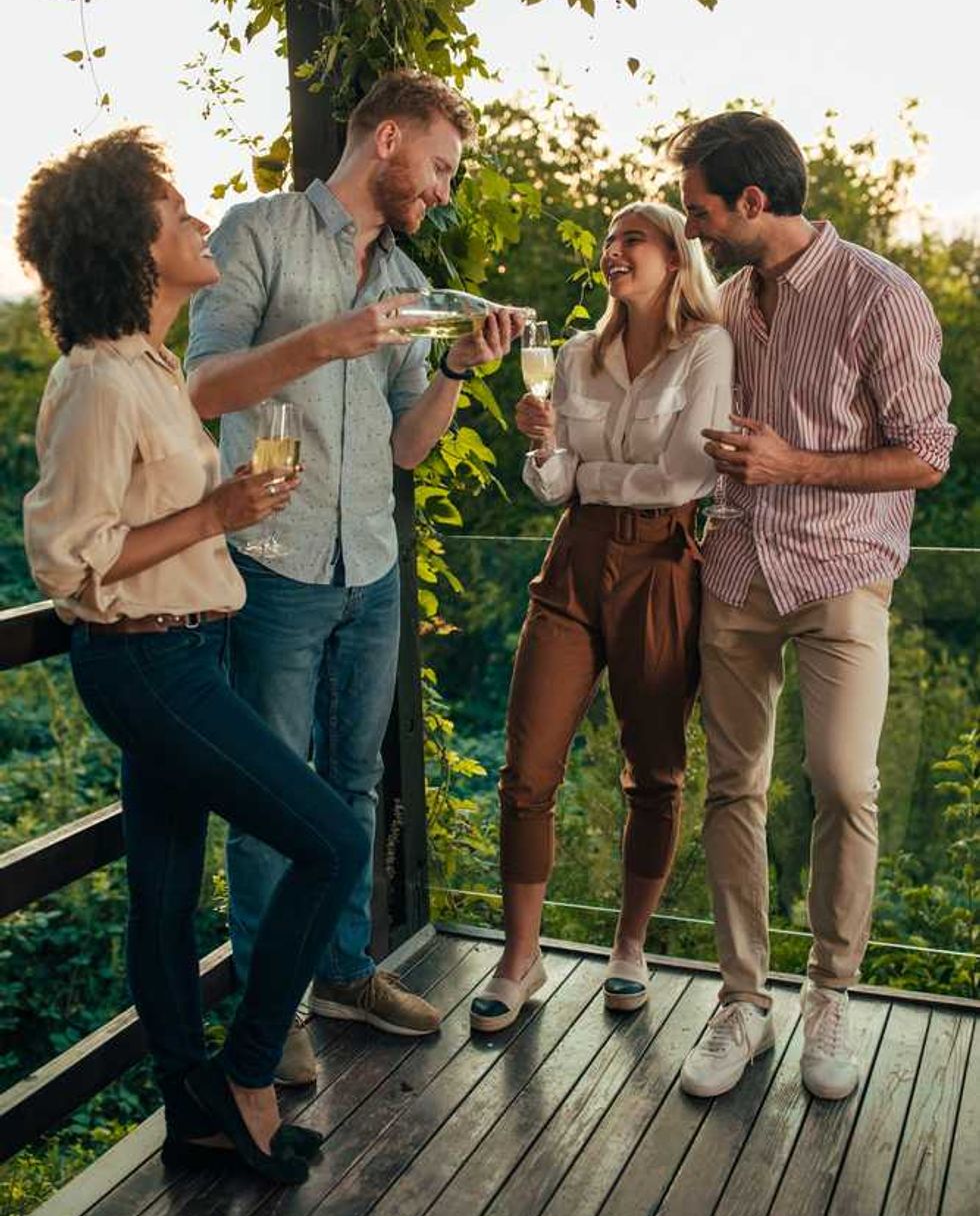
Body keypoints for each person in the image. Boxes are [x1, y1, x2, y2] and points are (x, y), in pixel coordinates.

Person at [19, 128, 372, 1184]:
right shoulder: (95, 381)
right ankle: (249, 1075)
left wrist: (225, 514)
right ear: (131, 244)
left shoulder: (153, 368)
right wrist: (216, 509)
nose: (199, 219)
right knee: (331, 840)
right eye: (175, 212)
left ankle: (197, 1117)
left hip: (185, 652)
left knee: (165, 899)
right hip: (146, 666)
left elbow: (152, 521)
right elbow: (68, 560)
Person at [186, 69, 522, 1082]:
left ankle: (339, 968)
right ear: (387, 139)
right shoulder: (257, 232)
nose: (443, 190)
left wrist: (460, 369)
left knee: (355, 780)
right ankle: (269, 1002)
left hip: (369, 562)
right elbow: (203, 383)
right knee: (268, 793)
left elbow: (410, 446)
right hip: (276, 563)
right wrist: (327, 338)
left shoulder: (409, 285)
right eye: (440, 166)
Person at [670, 111, 956, 1101]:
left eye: (699, 208)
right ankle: (741, 998)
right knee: (731, 787)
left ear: (753, 202)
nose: (690, 227)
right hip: (737, 567)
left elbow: (925, 452)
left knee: (842, 781)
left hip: (841, 571)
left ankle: (829, 989)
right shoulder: (723, 301)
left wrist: (794, 462)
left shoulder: (881, 296)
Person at [470, 202, 734, 1032]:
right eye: (609, 241)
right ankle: (522, 958)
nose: (613, 251)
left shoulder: (707, 349)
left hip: (662, 567)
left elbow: (686, 474)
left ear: (673, 256)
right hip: (573, 561)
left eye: (632, 239)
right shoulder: (578, 354)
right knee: (527, 771)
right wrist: (547, 448)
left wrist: (592, 474)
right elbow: (553, 486)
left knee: (654, 773)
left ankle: (629, 947)